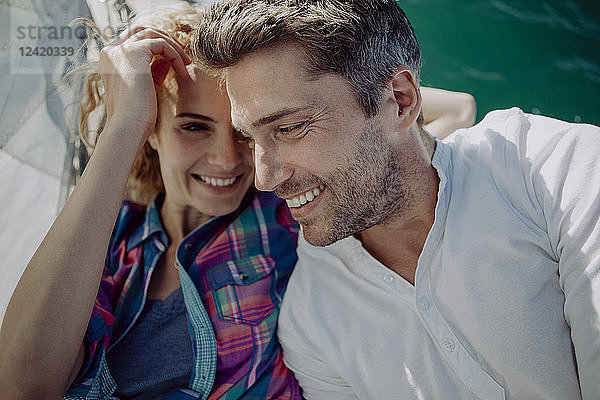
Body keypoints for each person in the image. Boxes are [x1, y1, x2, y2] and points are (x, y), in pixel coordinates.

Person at [192, 1, 600, 399]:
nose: (264, 178)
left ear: (400, 101)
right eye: (250, 138)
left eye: (291, 127)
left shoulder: (561, 171)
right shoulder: (311, 321)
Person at [0, 4, 301, 399]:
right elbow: (21, 385)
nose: (227, 158)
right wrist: (123, 125)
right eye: (194, 126)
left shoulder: (290, 219)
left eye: (243, 131)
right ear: (152, 130)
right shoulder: (109, 237)